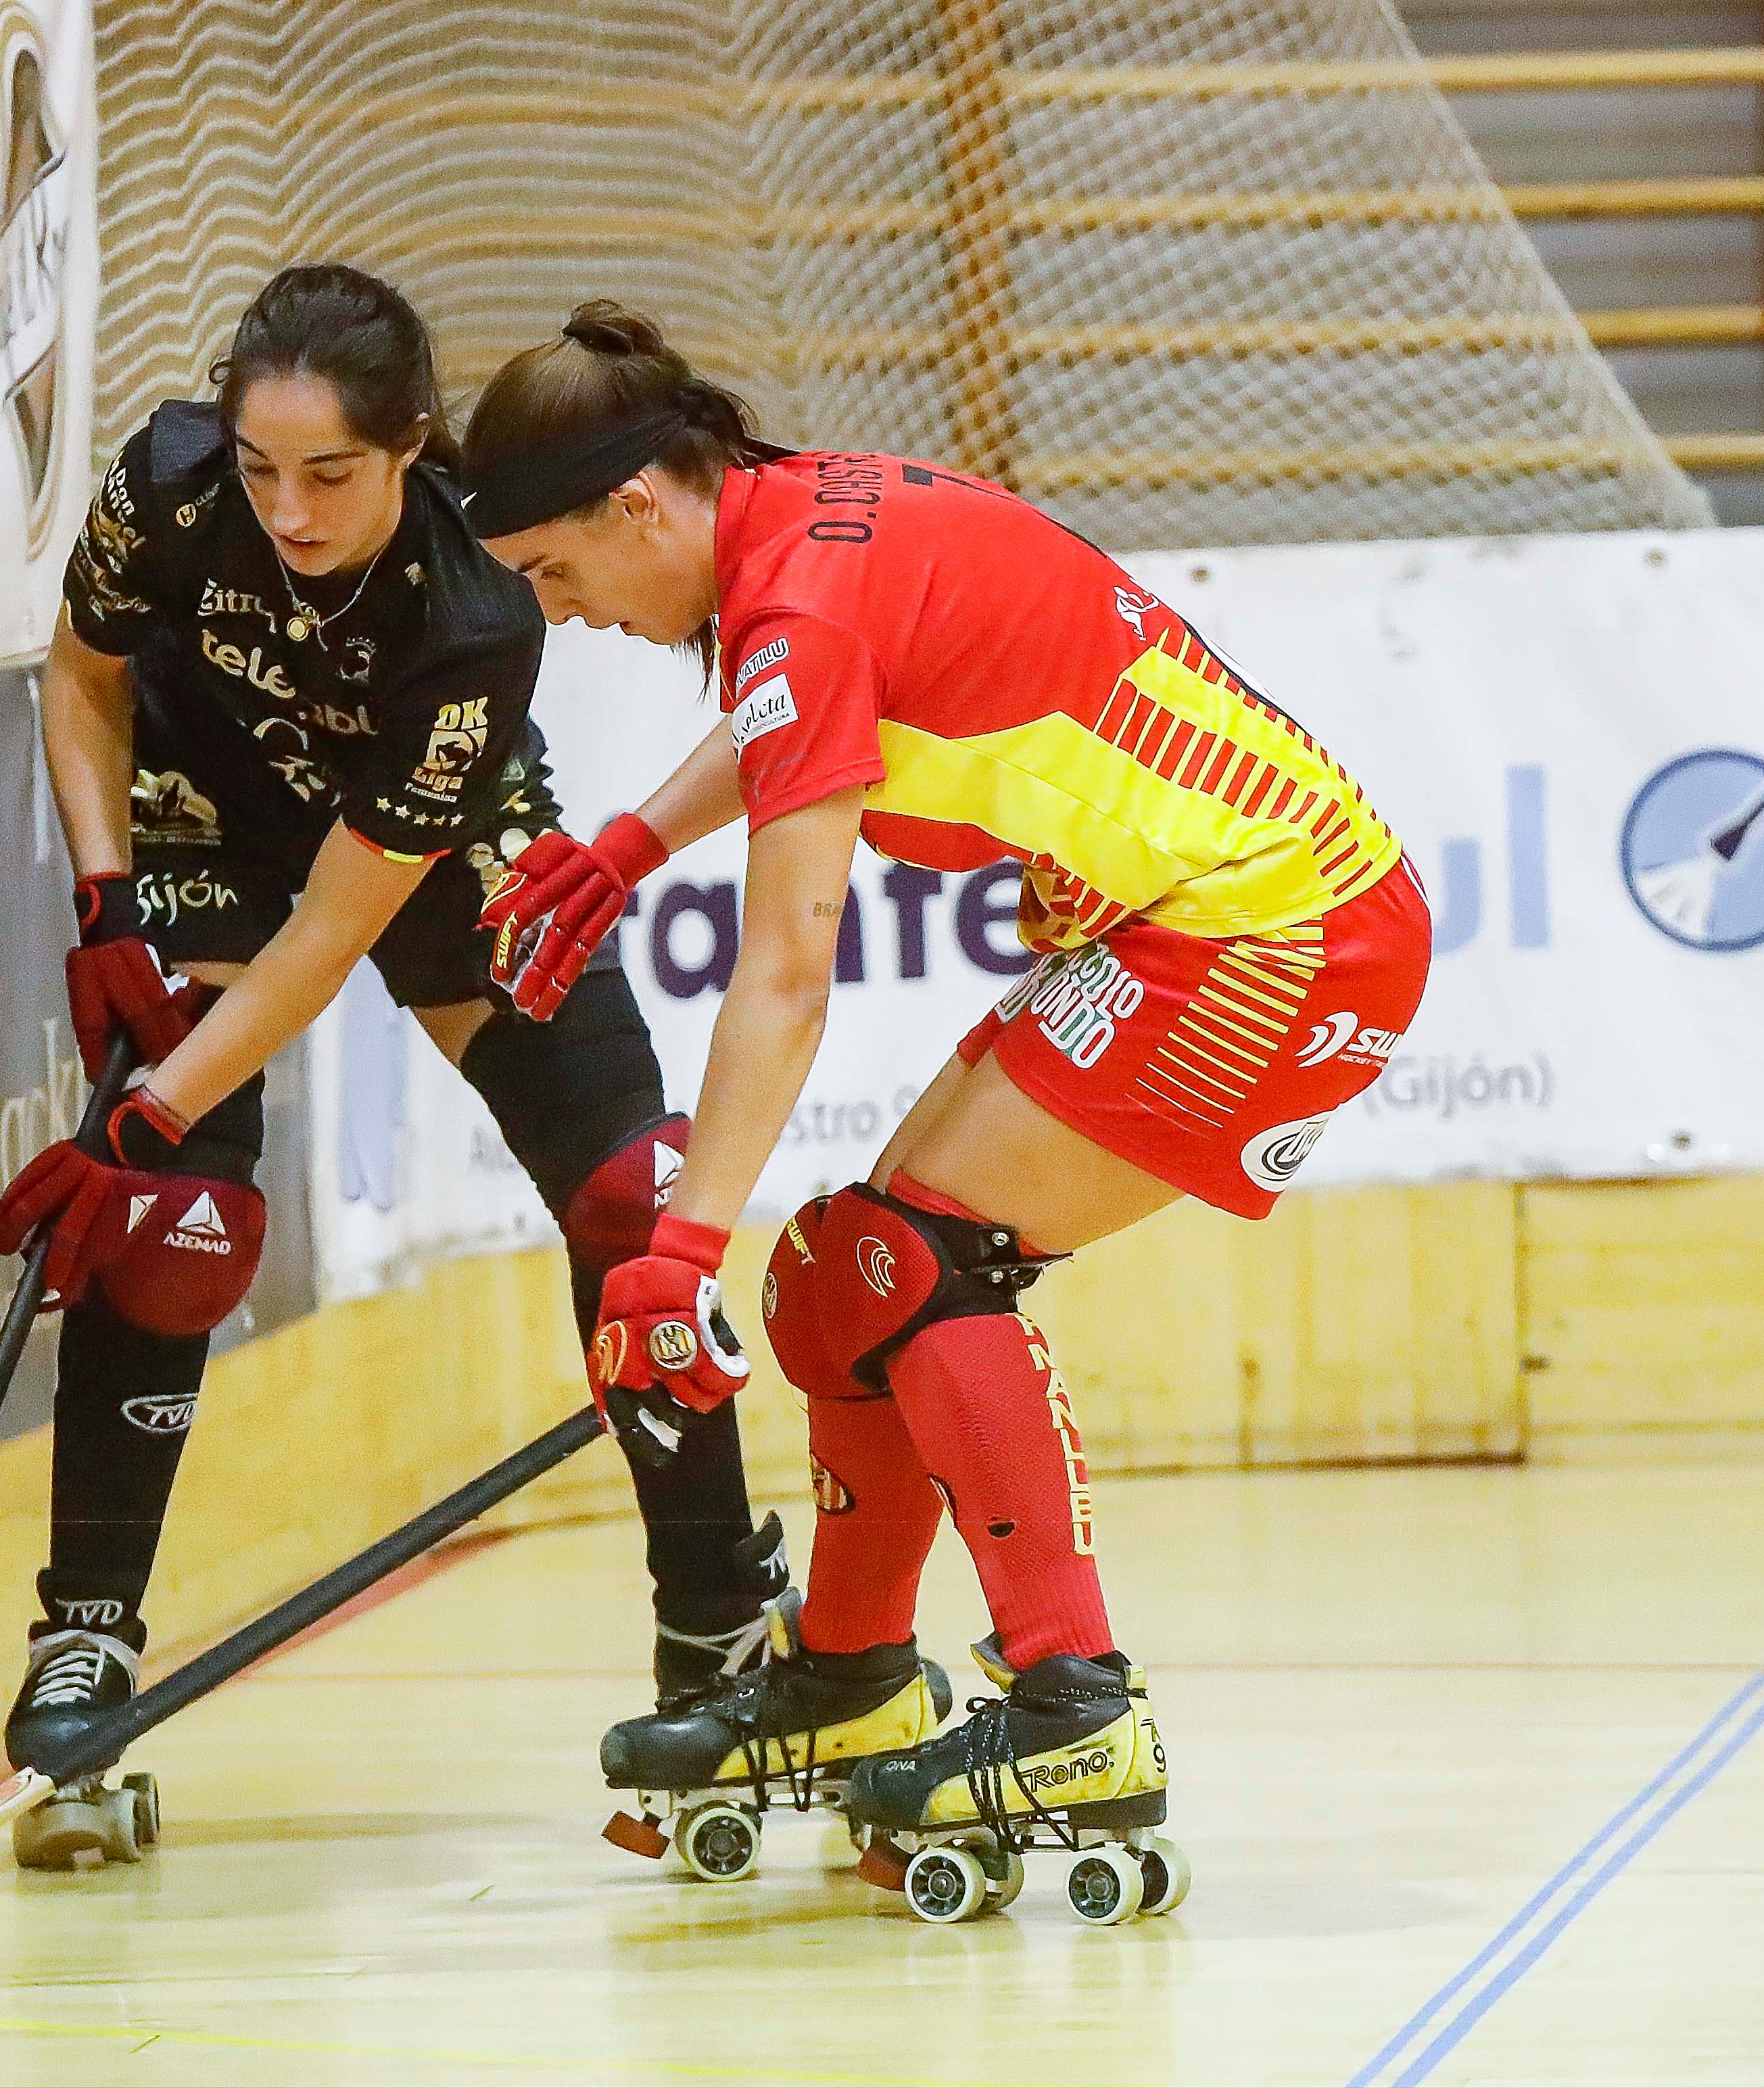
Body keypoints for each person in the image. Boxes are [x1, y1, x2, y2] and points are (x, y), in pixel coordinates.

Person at [460, 303, 1433, 1910]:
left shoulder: (792, 612)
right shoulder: (794, 517)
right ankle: (851, 1674)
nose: (563, 614)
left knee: (912, 1266)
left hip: (1278, 933)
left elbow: (787, 970)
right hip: (1212, 916)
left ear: (638, 504)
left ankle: (1072, 1706)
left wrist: (677, 1250)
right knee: (841, 1282)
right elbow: (798, 712)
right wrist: (634, 842)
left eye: (555, 571)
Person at [0, 268, 788, 1855]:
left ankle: (718, 1623)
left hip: (424, 850)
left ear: (415, 447)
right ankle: (84, 1633)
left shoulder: (477, 607)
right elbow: (82, 676)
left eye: (331, 473)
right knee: (170, 1229)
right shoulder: (164, 486)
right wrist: (103, 897)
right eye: (261, 469)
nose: (287, 509)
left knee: (633, 1198)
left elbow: (334, 931)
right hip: (207, 819)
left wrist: (143, 1112)